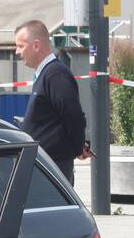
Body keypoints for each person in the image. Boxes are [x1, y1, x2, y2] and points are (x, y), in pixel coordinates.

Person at [14, 19, 91, 185]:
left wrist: (78, 147)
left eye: (20, 46)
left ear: (36, 45)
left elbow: (73, 116)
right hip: (44, 164)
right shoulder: (46, 74)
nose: (17, 52)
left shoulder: (55, 74)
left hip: (53, 167)